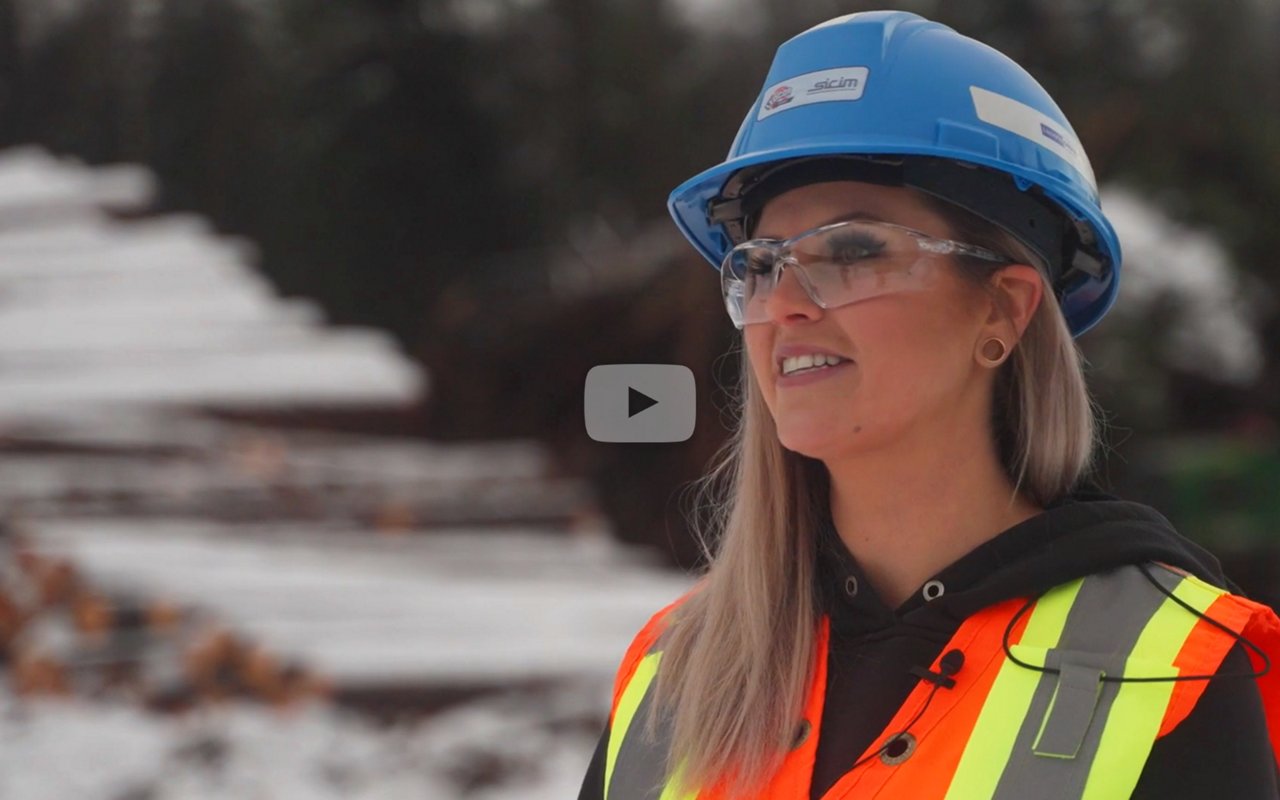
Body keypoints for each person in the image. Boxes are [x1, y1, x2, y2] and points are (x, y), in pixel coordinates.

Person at [578, 10, 1280, 800]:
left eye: (852, 251)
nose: (785, 305)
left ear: (1003, 312)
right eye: (761, 264)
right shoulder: (672, 676)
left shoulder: (1167, 673)